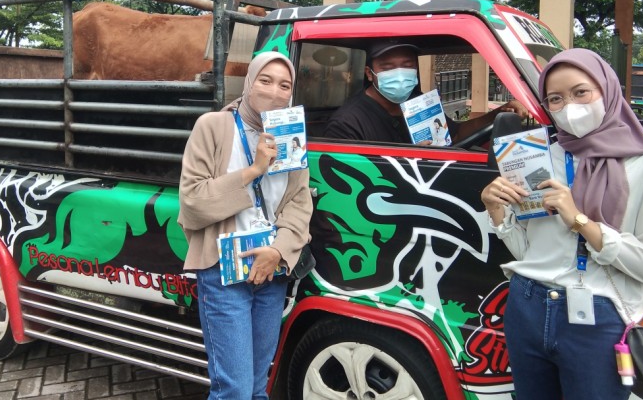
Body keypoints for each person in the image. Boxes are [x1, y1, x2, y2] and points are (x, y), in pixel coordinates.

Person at [480, 48, 643, 399]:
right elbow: (528, 252)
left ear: (607, 90)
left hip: (600, 317)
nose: (569, 107)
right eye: (556, 99)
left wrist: (580, 220)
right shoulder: (540, 156)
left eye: (581, 92)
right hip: (527, 305)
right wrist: (495, 208)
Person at [178, 51, 313, 400]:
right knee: (234, 390)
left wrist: (278, 251)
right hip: (224, 272)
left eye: (285, 85)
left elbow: (299, 203)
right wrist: (254, 170)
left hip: (270, 271)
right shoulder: (213, 126)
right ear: (249, 82)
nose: (275, 91)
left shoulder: (290, 134)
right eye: (265, 81)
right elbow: (192, 201)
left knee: (256, 387)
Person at [324, 40, 529, 144]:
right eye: (388, 67)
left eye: (407, 66)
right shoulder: (347, 122)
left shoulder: (419, 102)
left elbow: (456, 134)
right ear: (370, 74)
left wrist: (498, 114)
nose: (400, 74)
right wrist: (411, 158)